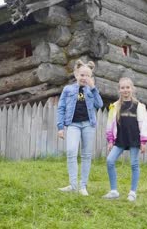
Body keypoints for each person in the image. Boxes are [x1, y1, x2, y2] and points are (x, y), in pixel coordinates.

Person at [57, 59, 103, 196]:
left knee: (86, 155)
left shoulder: (92, 90)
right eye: (82, 75)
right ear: (76, 74)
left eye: (87, 75)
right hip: (73, 125)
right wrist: (60, 127)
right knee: (71, 151)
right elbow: (61, 108)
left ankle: (83, 186)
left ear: (91, 77)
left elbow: (99, 104)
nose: (84, 78)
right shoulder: (68, 89)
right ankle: (73, 185)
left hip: (88, 125)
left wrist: (93, 88)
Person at [103, 77, 147, 201]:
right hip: (120, 140)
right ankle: (114, 191)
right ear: (119, 90)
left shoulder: (139, 106)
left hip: (134, 140)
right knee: (110, 160)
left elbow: (145, 124)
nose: (125, 90)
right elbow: (110, 124)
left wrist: (143, 142)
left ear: (132, 89)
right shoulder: (115, 106)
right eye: (122, 88)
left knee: (134, 164)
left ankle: (132, 192)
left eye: (127, 87)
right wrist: (110, 140)